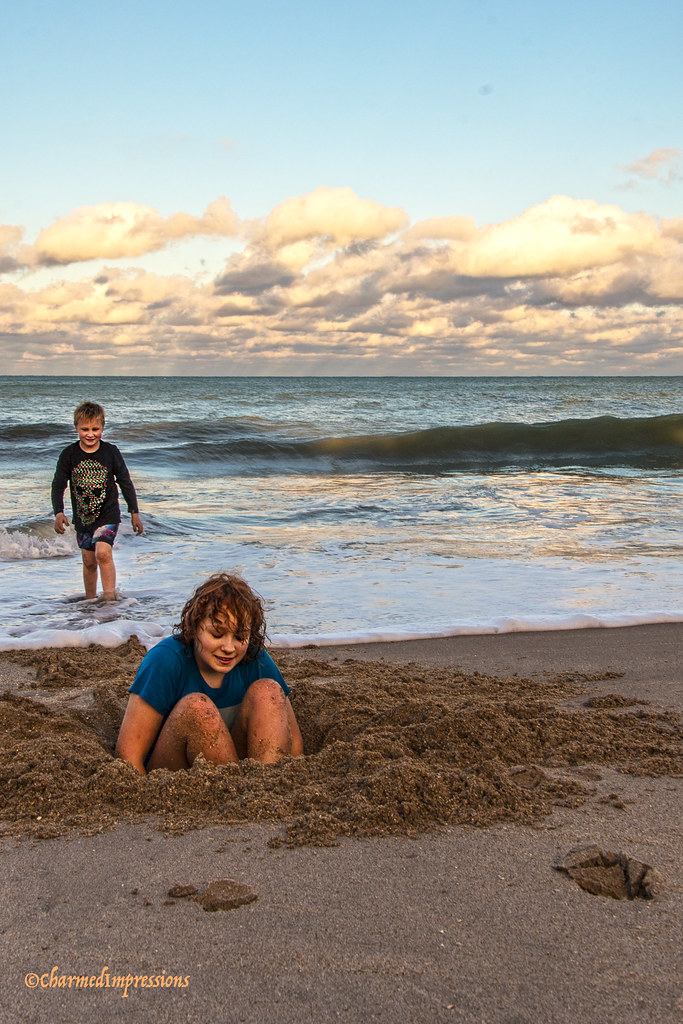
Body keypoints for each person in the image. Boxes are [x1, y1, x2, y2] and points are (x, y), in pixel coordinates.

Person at [115, 573, 303, 773]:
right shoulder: (165, 661)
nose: (229, 647)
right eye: (217, 634)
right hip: (176, 773)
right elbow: (128, 756)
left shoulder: (256, 659)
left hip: (242, 774)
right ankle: (232, 786)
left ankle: (265, 784)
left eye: (240, 637)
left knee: (269, 691)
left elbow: (295, 746)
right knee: (198, 708)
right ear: (194, 626)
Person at [51, 400, 143, 600]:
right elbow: (58, 484)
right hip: (83, 517)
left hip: (108, 513)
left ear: (103, 427)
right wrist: (59, 512)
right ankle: (90, 601)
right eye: (85, 429)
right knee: (89, 561)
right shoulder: (69, 454)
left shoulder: (110, 452)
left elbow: (125, 482)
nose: (90, 434)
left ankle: (109, 599)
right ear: (76, 428)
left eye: (95, 429)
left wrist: (134, 512)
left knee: (102, 553)